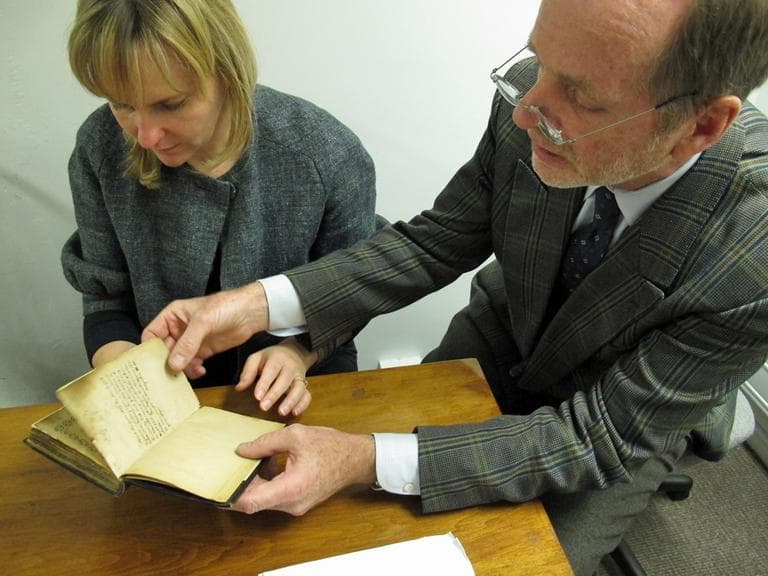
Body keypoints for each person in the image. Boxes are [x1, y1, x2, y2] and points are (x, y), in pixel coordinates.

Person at [143, 0, 768, 573]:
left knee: (506, 562)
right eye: (541, 61)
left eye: (581, 94)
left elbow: (595, 438)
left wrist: (365, 458)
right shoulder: (535, 99)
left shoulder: (755, 246)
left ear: (702, 125)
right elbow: (438, 240)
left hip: (618, 416)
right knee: (355, 529)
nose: (525, 109)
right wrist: (257, 304)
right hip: (504, 334)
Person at [61, 0, 377, 416]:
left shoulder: (326, 153)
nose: (146, 136)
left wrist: (298, 352)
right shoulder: (99, 148)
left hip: (303, 381)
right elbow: (105, 298)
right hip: (168, 395)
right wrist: (125, 368)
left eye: (171, 104)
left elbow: (355, 291)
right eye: (122, 105)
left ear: (226, 71)